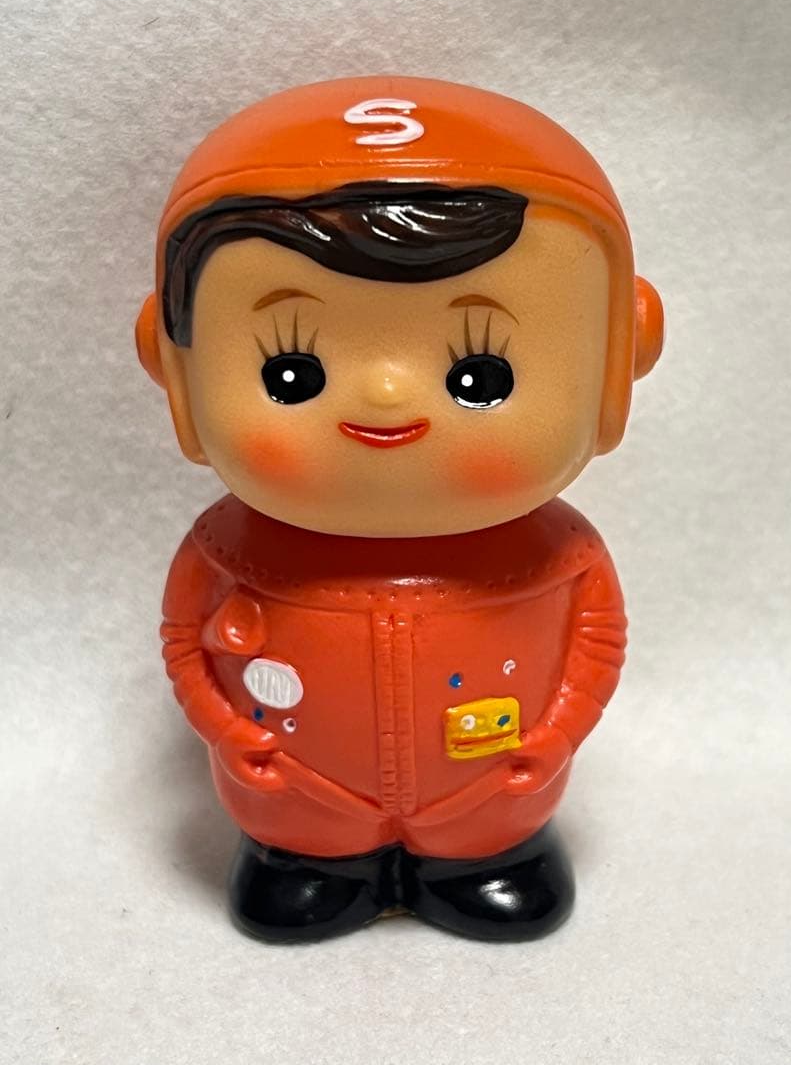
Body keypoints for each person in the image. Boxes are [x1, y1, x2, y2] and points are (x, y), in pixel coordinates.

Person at [136, 75, 664, 942]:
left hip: (488, 796)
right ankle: (308, 864)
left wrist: (558, 734)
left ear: (617, 362)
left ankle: (484, 862)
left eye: (480, 377)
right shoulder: (226, 549)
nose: (385, 397)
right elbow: (183, 642)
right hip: (301, 798)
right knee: (304, 860)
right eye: (292, 373)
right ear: (177, 372)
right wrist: (225, 731)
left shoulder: (559, 554)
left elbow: (595, 644)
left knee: (487, 849)